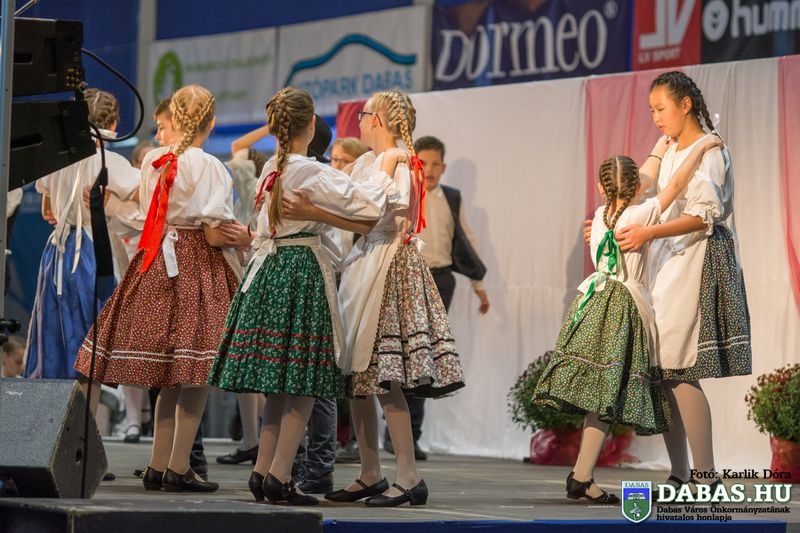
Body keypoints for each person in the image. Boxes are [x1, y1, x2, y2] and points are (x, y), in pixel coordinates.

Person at [283, 89, 466, 507]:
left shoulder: (400, 162)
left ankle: (409, 476)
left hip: (388, 264)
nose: (360, 121)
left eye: (364, 115)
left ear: (378, 120)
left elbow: (372, 219)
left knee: (383, 373)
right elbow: (345, 198)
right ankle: (370, 472)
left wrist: (314, 211)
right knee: (357, 375)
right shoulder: (370, 161)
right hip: (364, 263)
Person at [206, 87, 385, 505]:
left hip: (268, 269)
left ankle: (263, 470)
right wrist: (381, 168)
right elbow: (369, 210)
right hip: (300, 268)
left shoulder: (272, 165)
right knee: (304, 380)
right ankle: (280, 475)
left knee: (280, 383)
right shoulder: (313, 173)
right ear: (311, 125)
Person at [536, 135, 723, 503]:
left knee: (602, 391)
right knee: (609, 390)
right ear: (638, 187)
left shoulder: (598, 218)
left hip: (594, 302)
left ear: (600, 187)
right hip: (623, 306)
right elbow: (674, 186)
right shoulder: (641, 214)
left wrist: (658, 148)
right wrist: (700, 148)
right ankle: (582, 476)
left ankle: (581, 475)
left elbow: (647, 179)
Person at [74, 84, 242, 492]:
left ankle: (158, 464)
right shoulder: (209, 166)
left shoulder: (153, 159)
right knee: (195, 372)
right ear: (210, 123)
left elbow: (151, 211)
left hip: (156, 260)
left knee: (168, 371)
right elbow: (213, 232)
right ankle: (178, 466)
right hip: (195, 261)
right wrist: (245, 237)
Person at [614, 71, 752, 492]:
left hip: (695, 257)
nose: (656, 117)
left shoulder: (709, 150)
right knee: (661, 369)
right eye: (651, 110)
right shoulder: (672, 147)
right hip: (667, 260)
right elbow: (645, 190)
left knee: (678, 365)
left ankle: (706, 476)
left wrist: (647, 233)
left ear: (685, 104)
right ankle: (680, 472)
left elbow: (702, 214)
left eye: (661, 108)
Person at [384, 135, 489, 460]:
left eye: (434, 164)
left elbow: (466, 238)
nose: (428, 170)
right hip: (408, 276)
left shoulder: (451, 197)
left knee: (424, 356)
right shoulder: (405, 191)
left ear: (443, 167)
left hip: (441, 280)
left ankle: (411, 435)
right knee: (403, 353)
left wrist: (478, 283)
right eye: (423, 163)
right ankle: (393, 431)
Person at [24, 88, 139, 382]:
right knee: (93, 340)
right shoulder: (108, 161)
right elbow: (145, 199)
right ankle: (88, 408)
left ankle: (61, 407)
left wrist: (66, 208)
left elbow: (47, 211)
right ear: (113, 124)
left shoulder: (58, 158)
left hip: (58, 252)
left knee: (57, 338)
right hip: (93, 250)